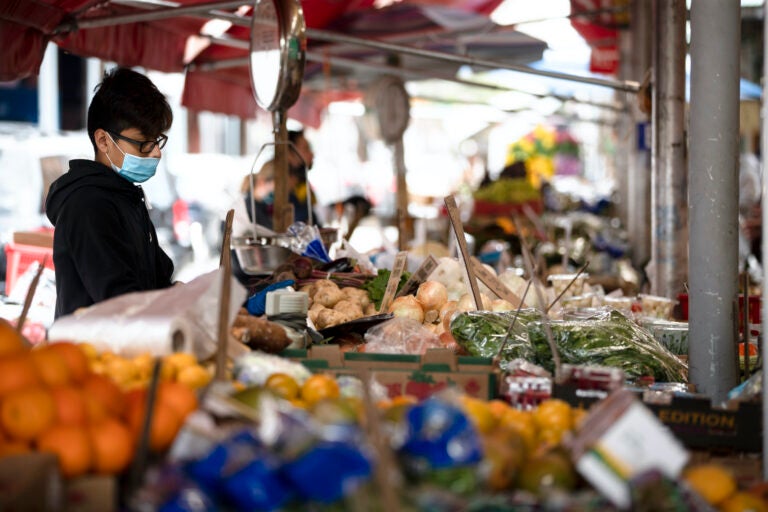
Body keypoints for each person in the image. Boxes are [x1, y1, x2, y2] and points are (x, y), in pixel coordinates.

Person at [45, 67, 174, 319]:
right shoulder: (87, 205)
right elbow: (118, 300)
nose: (156, 152)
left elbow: (156, 275)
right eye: (144, 143)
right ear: (103, 141)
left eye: (157, 141)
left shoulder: (127, 196)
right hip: (88, 354)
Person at [287, 129, 320, 225]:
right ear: (289, 154)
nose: (312, 154)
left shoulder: (302, 184)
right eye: (306, 148)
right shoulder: (283, 192)